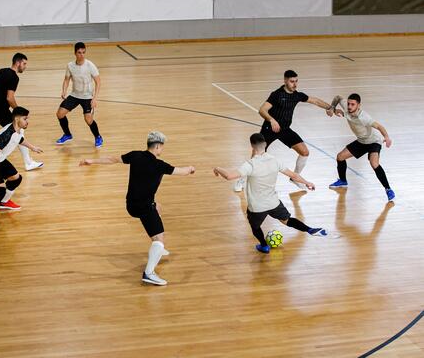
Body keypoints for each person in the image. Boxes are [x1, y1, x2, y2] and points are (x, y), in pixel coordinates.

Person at [79, 131, 195, 286]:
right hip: (144, 207)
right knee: (160, 241)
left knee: (158, 207)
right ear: (158, 146)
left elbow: (112, 159)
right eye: (162, 148)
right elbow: (183, 172)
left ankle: (158, 249)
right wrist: (191, 168)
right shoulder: (159, 165)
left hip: (131, 204)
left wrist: (91, 161)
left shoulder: (135, 156)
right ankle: (149, 273)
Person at [215, 133, 328, 254]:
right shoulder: (275, 160)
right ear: (265, 144)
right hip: (274, 203)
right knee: (287, 220)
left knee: (255, 227)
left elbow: (229, 176)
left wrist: (217, 168)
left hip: (257, 207)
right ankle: (310, 229)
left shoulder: (250, 164)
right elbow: (294, 175)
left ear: (252, 146)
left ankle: (264, 246)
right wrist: (307, 182)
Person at [234, 70, 332, 192]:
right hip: (270, 129)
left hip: (285, 129)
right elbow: (262, 110)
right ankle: (241, 180)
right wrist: (272, 120)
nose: (295, 84)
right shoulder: (276, 94)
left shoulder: (297, 95)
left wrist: (330, 107)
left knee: (304, 152)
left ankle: (295, 178)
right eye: (292, 81)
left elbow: (315, 101)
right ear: (285, 81)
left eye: (296, 81)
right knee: (256, 156)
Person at [0, 106, 43, 231]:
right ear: (17, 119)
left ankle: (4, 202)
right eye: (25, 119)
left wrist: (32, 147)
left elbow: (20, 139)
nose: (27, 121)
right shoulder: (7, 134)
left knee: (16, 179)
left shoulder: (16, 130)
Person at [327, 93, 395, 201]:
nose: (349, 106)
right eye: (349, 104)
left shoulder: (364, 117)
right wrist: (332, 108)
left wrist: (386, 137)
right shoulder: (346, 107)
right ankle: (343, 181)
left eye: (352, 104)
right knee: (340, 157)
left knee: (374, 163)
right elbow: (338, 97)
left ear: (359, 105)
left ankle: (388, 189)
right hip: (361, 141)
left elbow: (379, 126)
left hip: (373, 141)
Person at [56, 42, 103, 147]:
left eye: (83, 52)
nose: (81, 55)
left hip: (87, 97)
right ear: (75, 53)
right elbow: (66, 79)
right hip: (74, 95)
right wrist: (64, 91)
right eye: (79, 52)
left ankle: (98, 136)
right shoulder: (70, 65)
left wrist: (95, 98)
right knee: (60, 114)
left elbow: (98, 82)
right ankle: (67, 134)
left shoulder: (90, 65)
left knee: (88, 119)